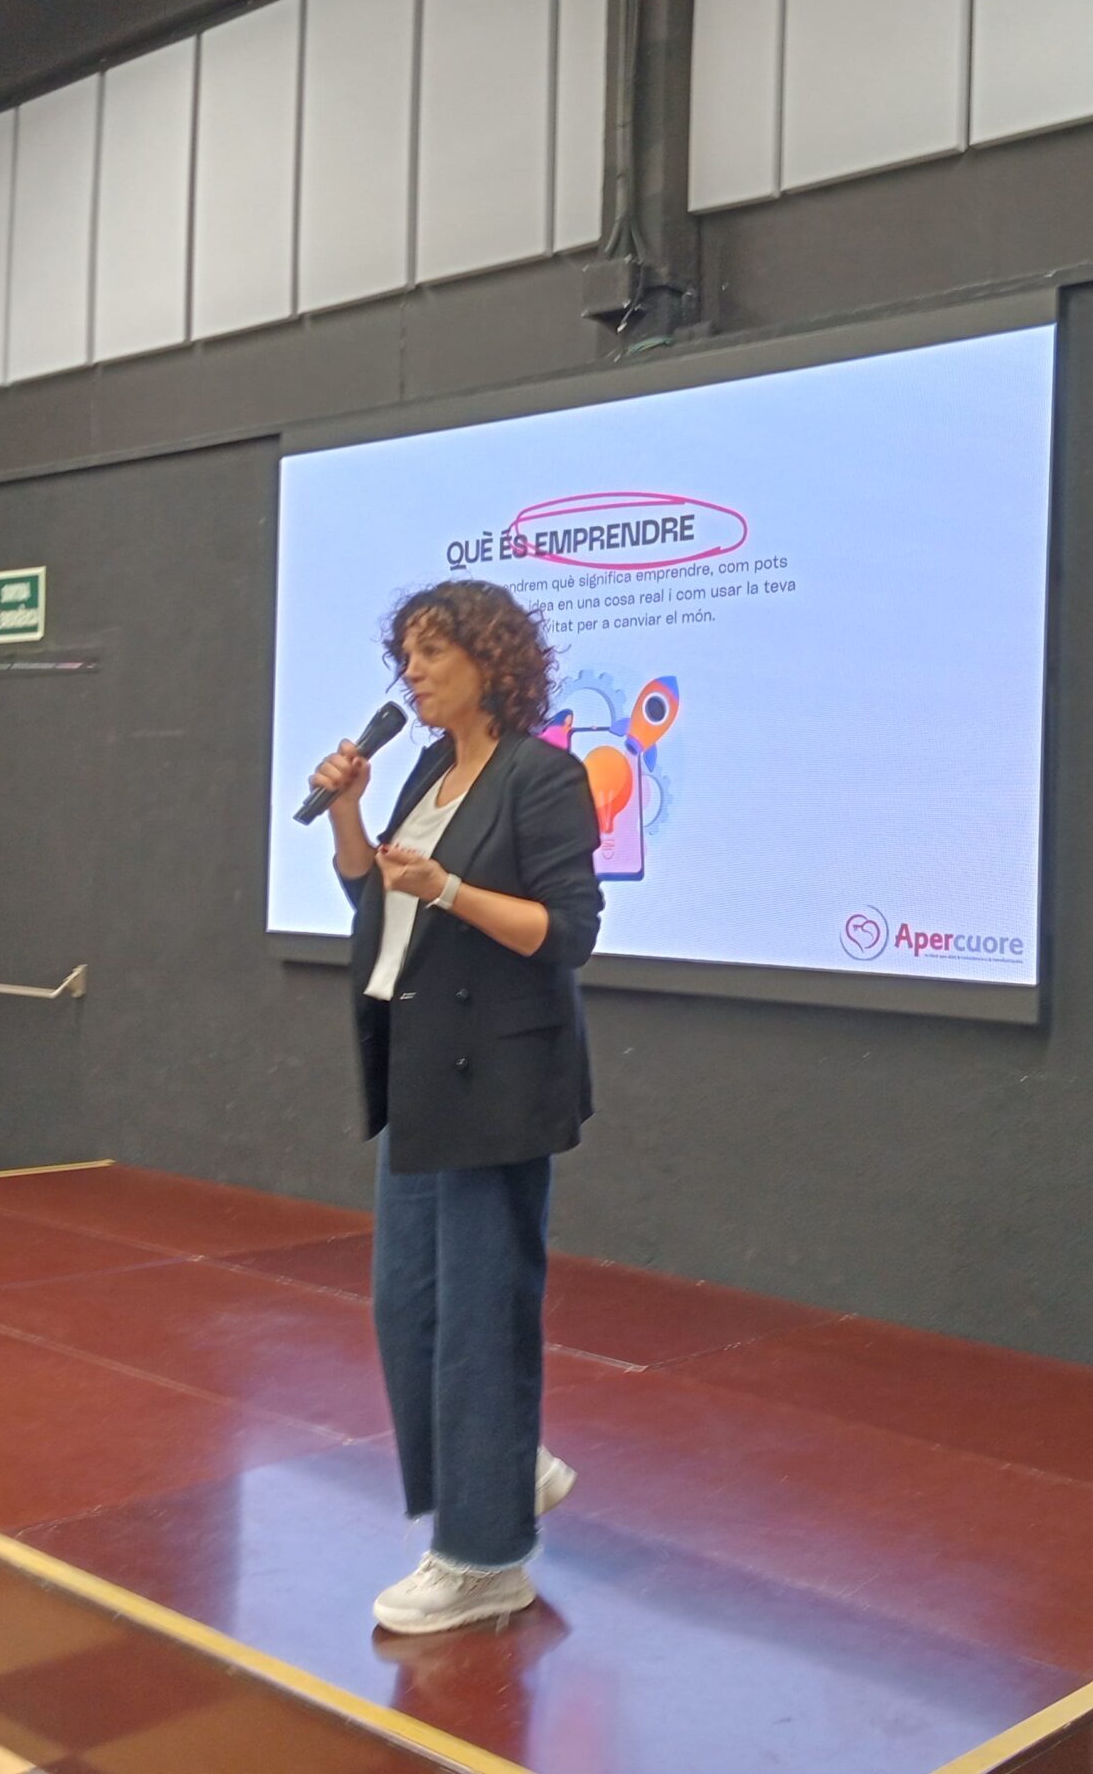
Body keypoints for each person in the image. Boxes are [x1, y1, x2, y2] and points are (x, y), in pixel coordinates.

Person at [306, 579, 604, 1636]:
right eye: (407, 653)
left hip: (499, 1080)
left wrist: (449, 891)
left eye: (432, 651)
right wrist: (350, 808)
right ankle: (503, 1466)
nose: (413, 671)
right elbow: (373, 892)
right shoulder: (429, 769)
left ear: (491, 659)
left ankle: (484, 1561)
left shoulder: (543, 774)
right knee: (409, 1308)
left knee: (479, 1319)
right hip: (421, 1065)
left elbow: (568, 930)